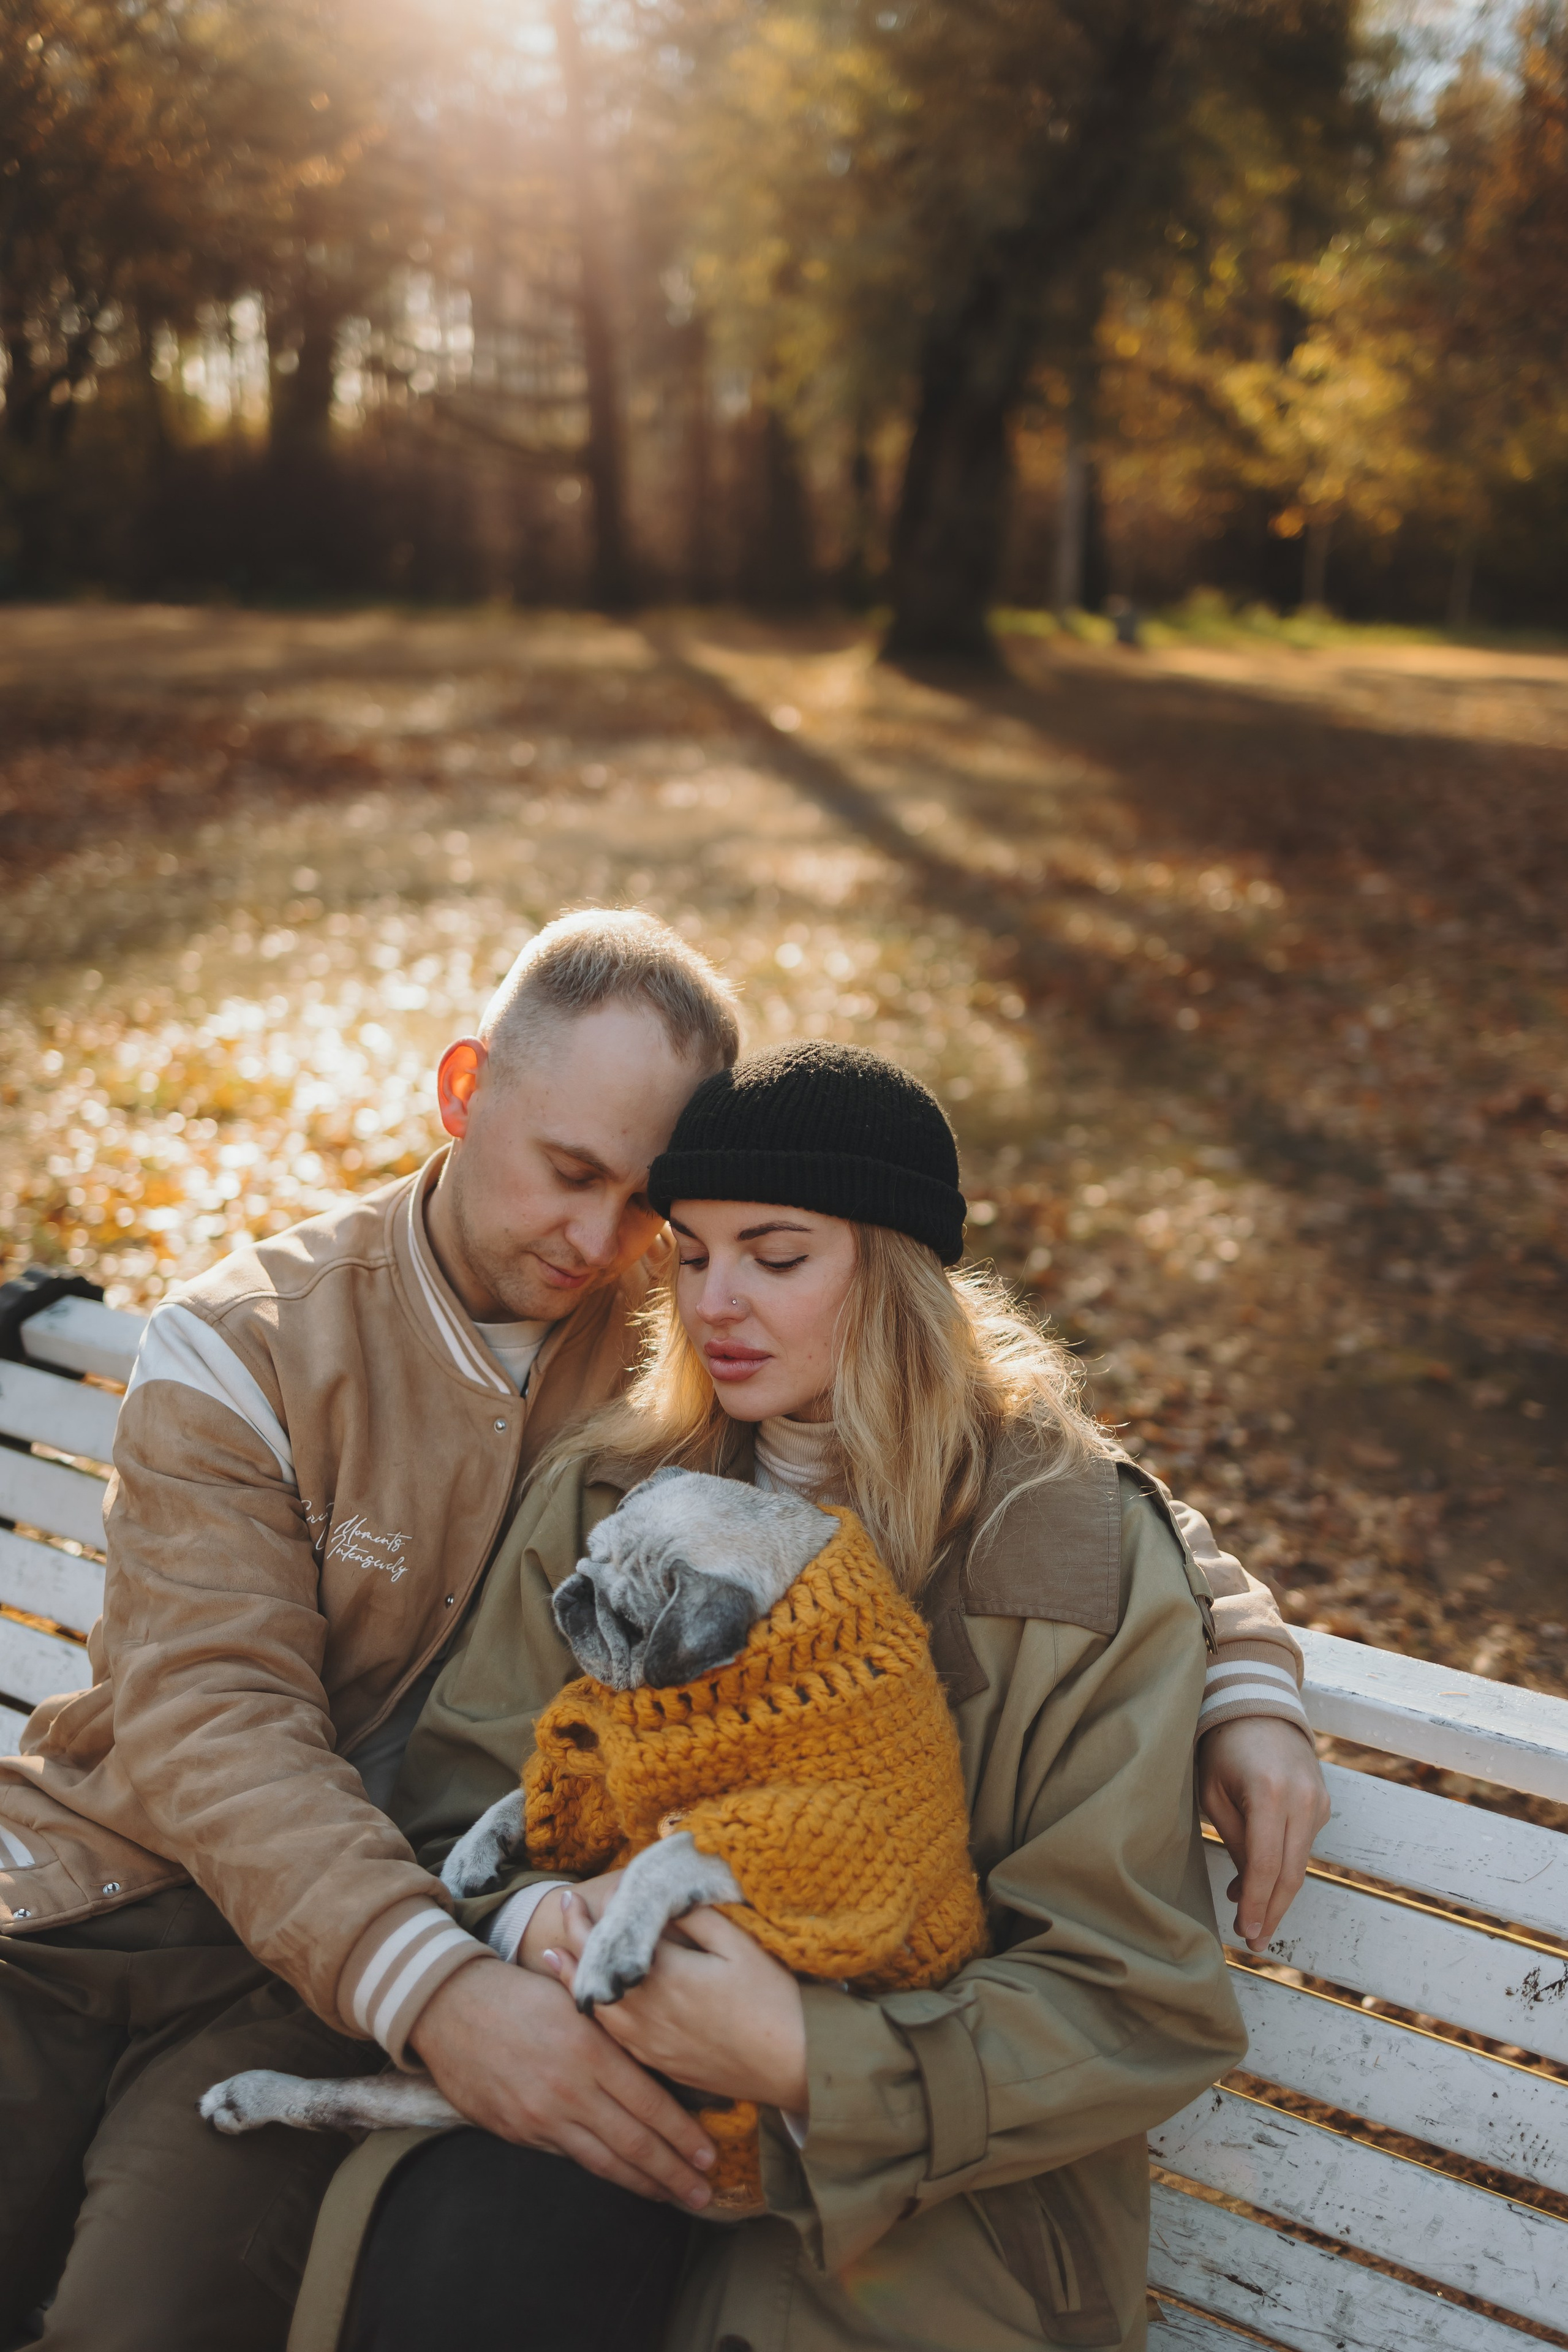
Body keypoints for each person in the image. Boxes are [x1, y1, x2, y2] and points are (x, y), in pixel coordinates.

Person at [0, 920, 1323, 2352]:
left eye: (686, 1224)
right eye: (666, 1236)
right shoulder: (376, 1368)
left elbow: (1022, 1464)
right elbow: (254, 1727)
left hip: (829, 2120)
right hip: (191, 1904)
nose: (651, 1265)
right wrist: (498, 1939)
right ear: (463, 1094)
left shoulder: (737, 1353)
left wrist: (1238, 1658)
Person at [292, 1042, 1303, 2352]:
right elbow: (462, 1804)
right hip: (601, 2086)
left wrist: (803, 2058)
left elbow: (1129, 1999)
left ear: (890, 1275)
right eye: (693, 1254)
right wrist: (540, 1917)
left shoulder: (1056, 1546)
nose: (719, 1302)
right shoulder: (612, 1495)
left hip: (922, 2194)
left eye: (775, 1259)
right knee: (484, 2246)